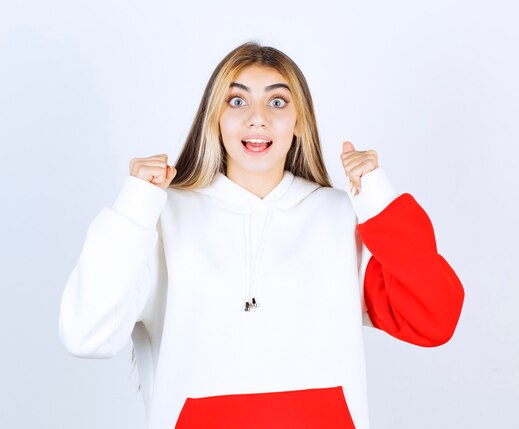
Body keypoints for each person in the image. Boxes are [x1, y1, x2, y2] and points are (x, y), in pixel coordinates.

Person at [58, 41, 464, 429]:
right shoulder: (161, 216)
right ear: (214, 118)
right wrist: (135, 205)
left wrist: (377, 198)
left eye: (277, 101)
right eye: (237, 101)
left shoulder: (342, 219)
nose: (258, 117)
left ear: (299, 121)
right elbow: (87, 334)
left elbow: (435, 318)